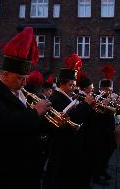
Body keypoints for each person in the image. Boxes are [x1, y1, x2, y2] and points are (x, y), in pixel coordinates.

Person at [0, 27, 51, 189]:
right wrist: (35, 112)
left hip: (20, 169)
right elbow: (2, 123)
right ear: (5, 74)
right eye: (20, 78)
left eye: (26, 78)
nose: (25, 83)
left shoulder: (20, 93)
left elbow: (27, 123)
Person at [44, 56, 95, 189]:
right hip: (62, 147)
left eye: (74, 85)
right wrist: (85, 105)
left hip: (70, 146)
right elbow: (70, 120)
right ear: (61, 84)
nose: (73, 88)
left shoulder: (66, 97)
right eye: (70, 85)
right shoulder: (56, 98)